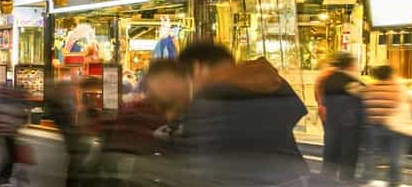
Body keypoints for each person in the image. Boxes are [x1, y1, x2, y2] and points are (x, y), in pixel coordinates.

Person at [176, 40, 307, 187]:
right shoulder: (266, 81)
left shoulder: (211, 98)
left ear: (197, 67)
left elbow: (201, 158)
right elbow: (294, 111)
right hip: (290, 176)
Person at [98, 59, 184, 187]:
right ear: (151, 82)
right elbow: (114, 161)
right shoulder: (134, 113)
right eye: (163, 81)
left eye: (173, 82)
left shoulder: (181, 115)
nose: (168, 87)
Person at [362, 62, 412, 187]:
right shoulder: (399, 87)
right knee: (395, 157)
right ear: (391, 74)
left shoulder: (370, 88)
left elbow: (364, 106)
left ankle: (365, 179)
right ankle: (394, 182)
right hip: (397, 128)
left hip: (375, 126)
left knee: (372, 154)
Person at [315, 51, 365, 182]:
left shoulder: (329, 79)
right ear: (349, 64)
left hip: (332, 122)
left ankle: (327, 180)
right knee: (348, 156)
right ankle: (345, 181)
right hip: (349, 124)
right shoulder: (349, 81)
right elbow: (364, 96)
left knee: (331, 154)